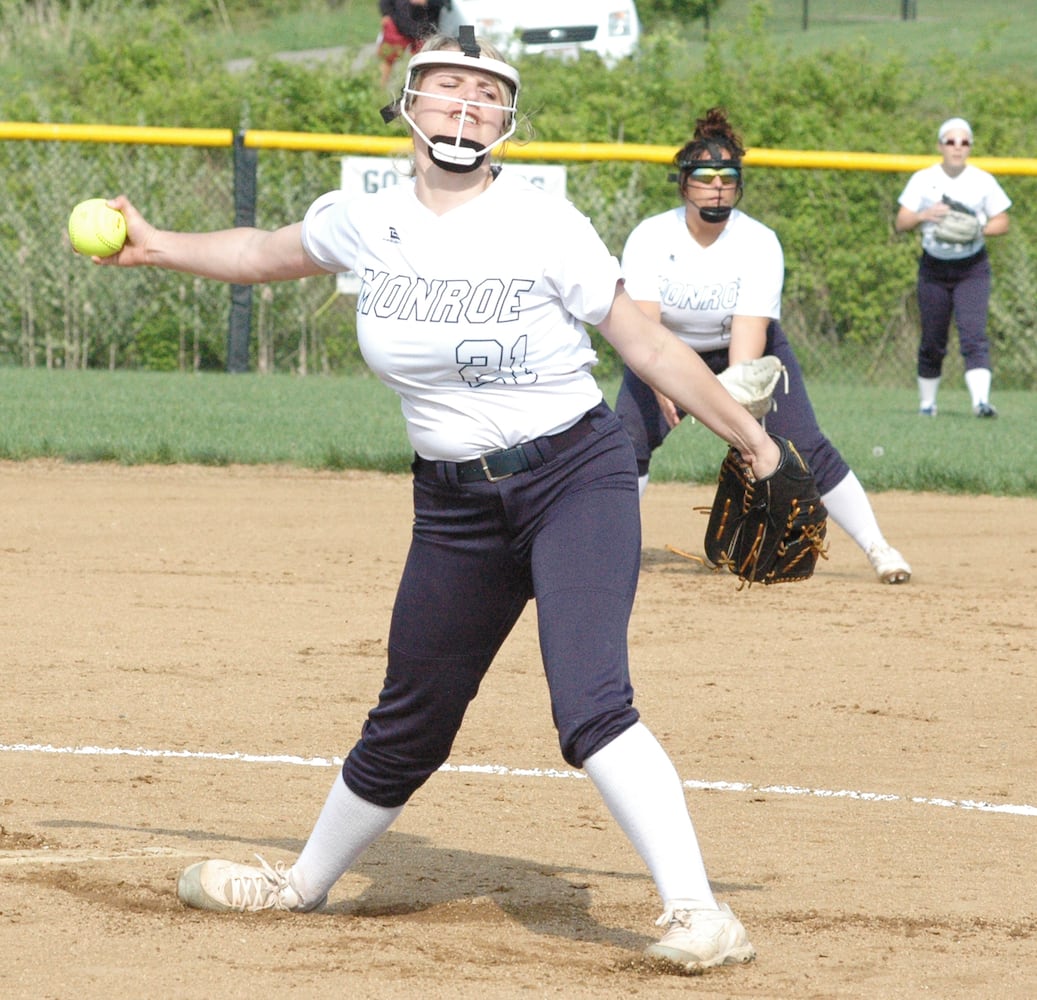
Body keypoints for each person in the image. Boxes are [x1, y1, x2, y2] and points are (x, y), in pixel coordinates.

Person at [88, 31, 776, 972]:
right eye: (448, 87)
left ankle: (701, 916)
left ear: (505, 120)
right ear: (409, 102)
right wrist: (158, 244)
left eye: (486, 95)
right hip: (452, 507)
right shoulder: (365, 219)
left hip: (575, 476)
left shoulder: (544, 223)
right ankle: (301, 885)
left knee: (589, 701)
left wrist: (753, 438)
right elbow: (259, 250)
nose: (466, 105)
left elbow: (645, 348)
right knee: (411, 713)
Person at [614, 107, 912, 586]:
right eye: (705, 176)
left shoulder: (758, 241)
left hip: (741, 353)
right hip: (664, 351)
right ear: (683, 183)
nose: (716, 186)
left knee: (805, 446)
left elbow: (746, 357)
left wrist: (744, 431)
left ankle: (880, 547)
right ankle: (608, 550)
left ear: (739, 185)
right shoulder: (651, 236)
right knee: (624, 443)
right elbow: (644, 330)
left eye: (727, 177)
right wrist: (661, 386)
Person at [895, 117, 1011, 418]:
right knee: (933, 339)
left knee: (974, 335)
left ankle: (981, 403)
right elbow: (901, 222)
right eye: (951, 141)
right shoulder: (923, 178)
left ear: (970, 147)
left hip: (972, 267)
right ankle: (927, 405)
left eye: (964, 142)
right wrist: (924, 215)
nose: (957, 147)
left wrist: (978, 227)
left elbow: (1003, 221)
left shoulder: (982, 180)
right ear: (940, 145)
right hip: (934, 267)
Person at [377, 0, 445, 86]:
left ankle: (413, 93)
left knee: (423, 67)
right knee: (387, 60)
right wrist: (386, 14)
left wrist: (428, 2)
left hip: (425, 31)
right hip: (397, 26)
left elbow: (445, 3)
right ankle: (379, 89)